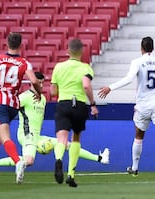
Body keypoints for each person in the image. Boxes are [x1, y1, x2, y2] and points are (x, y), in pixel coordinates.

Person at [0, 72, 109, 175]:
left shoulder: (42, 98)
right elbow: (4, 111)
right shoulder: (24, 97)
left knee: (66, 144)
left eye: (43, 82)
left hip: (37, 136)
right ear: (32, 83)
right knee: (29, 161)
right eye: (39, 82)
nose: (41, 85)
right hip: (26, 135)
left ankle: (100, 158)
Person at [98, 36, 155, 177]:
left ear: (141, 49)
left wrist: (110, 87)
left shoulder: (137, 62)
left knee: (139, 136)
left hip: (143, 106)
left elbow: (129, 79)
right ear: (153, 48)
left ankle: (135, 168)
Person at [0, 32, 42, 184]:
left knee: (4, 135)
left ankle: (17, 162)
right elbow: (34, 80)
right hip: (13, 103)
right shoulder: (24, 63)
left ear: (7, 43)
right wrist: (39, 93)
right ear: (21, 45)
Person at [50, 38, 99, 187]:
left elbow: (52, 91)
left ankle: (58, 160)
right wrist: (93, 104)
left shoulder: (58, 67)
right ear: (82, 51)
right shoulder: (86, 68)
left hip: (63, 103)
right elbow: (86, 85)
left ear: (68, 51)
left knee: (61, 138)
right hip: (79, 104)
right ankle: (71, 174)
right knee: (76, 138)